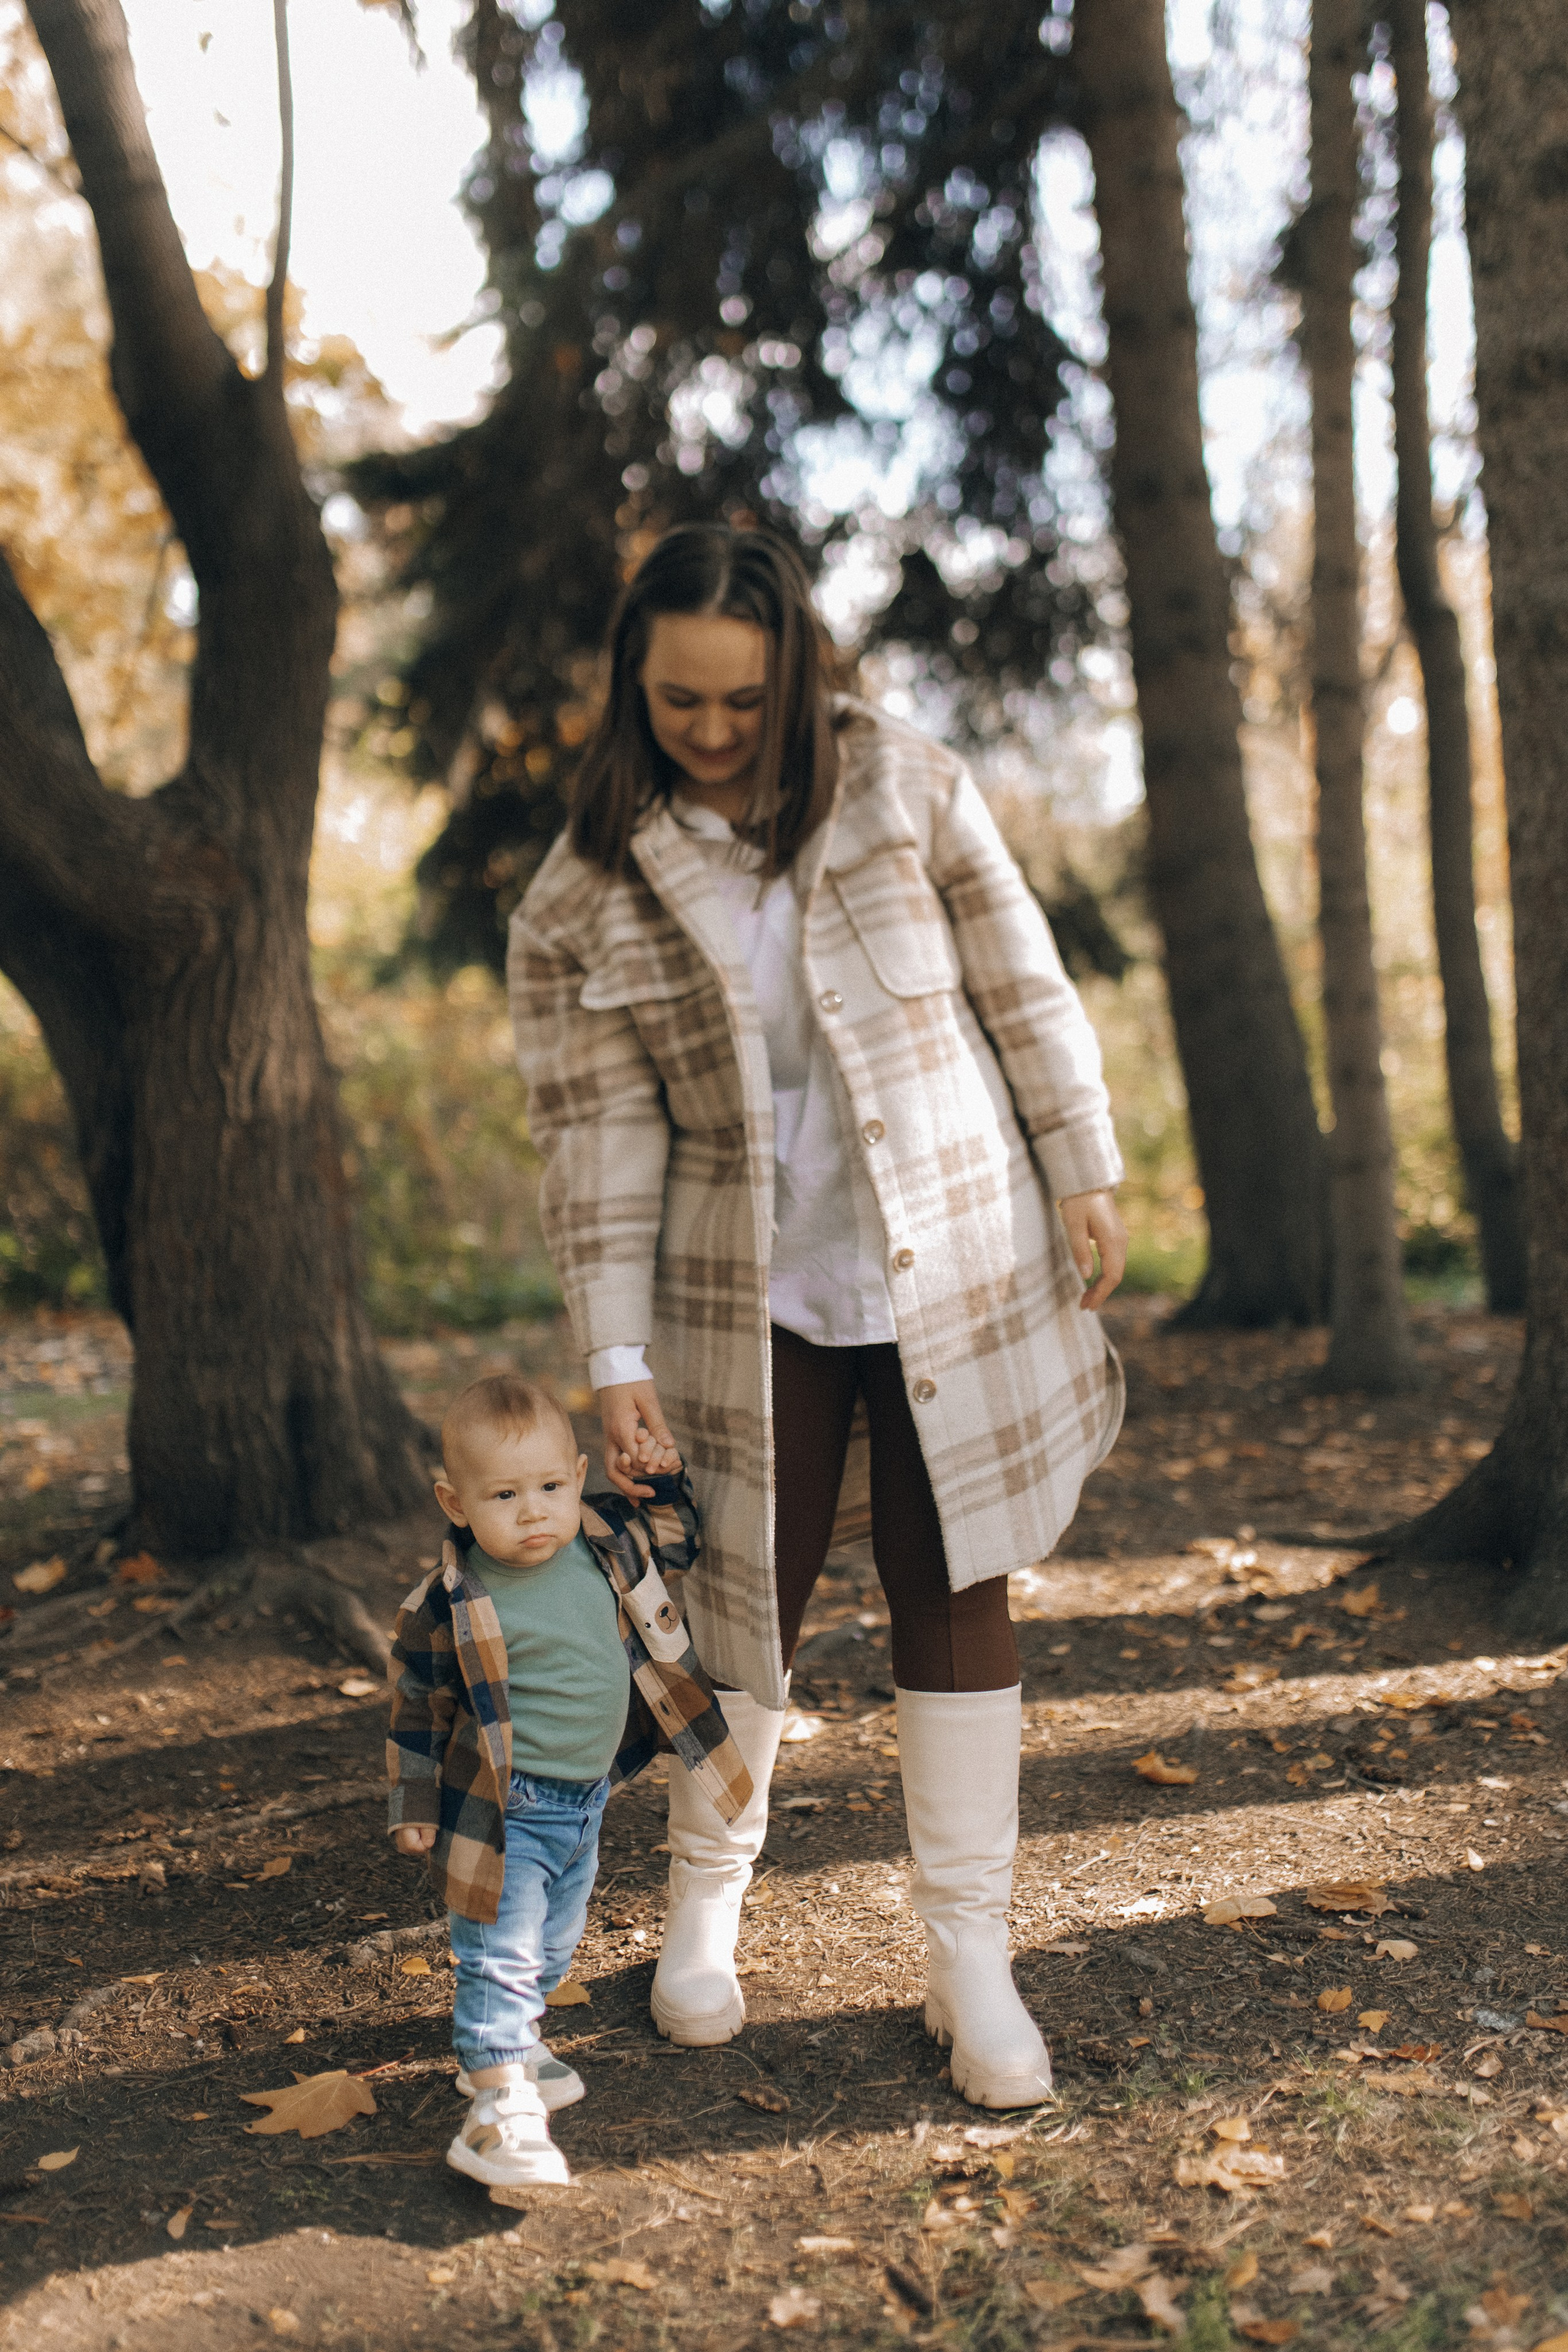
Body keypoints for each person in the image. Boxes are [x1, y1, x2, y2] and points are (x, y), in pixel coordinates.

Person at [510, 524, 1126, 2109]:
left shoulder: (904, 780)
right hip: (749, 1288)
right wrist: (617, 1356)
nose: (712, 730)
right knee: (738, 1599)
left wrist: (1083, 1164)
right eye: (678, 701)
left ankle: (969, 1956)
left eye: (741, 700)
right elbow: (597, 1138)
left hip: (953, 1254)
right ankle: (706, 1910)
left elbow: (1022, 981)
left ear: (795, 680)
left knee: (953, 1575)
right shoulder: (588, 887)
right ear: (633, 688)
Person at [386, 1371, 752, 2189]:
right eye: (505, 1494)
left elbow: (680, 1537)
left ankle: (516, 2042)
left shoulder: (605, 1543)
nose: (533, 1510)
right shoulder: (448, 1601)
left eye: (551, 1486)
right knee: (500, 1954)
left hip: (585, 1798)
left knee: (552, 1944)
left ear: (578, 1478)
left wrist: (657, 1479)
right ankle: (498, 2106)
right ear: (456, 1504)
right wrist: (413, 1802)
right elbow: (419, 1701)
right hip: (503, 1808)